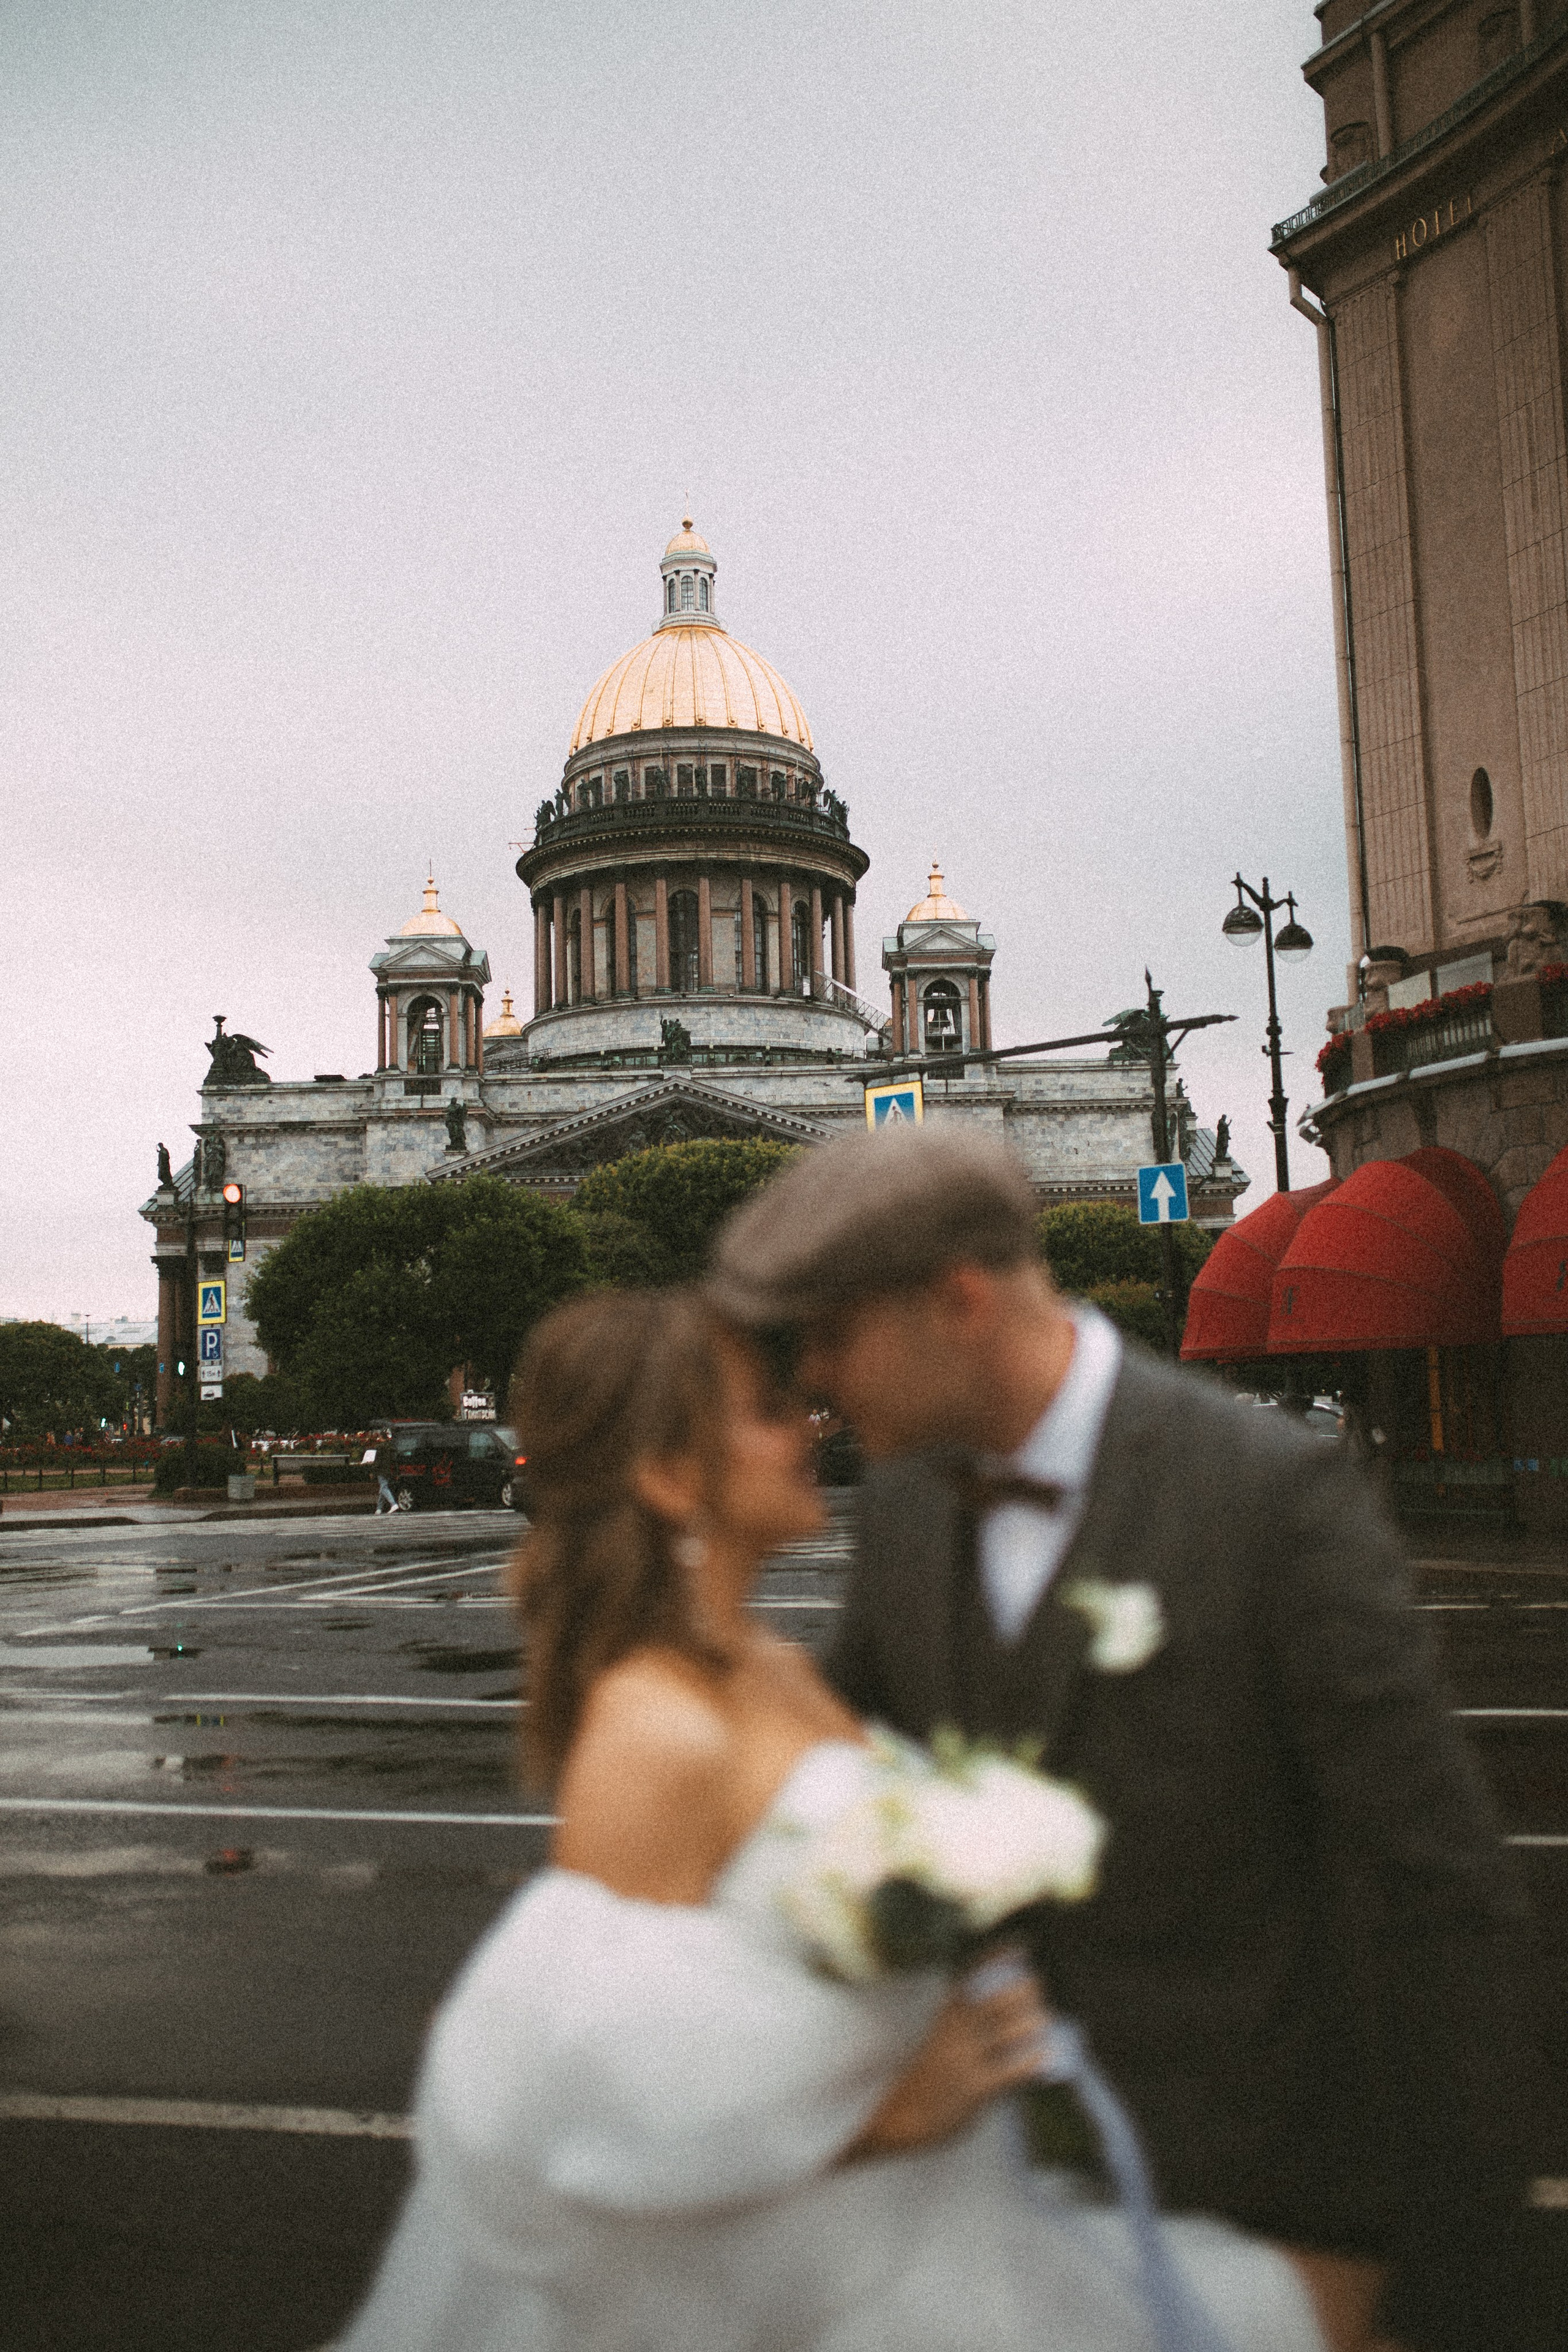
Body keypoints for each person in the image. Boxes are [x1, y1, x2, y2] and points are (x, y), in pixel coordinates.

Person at [334, 1288, 1324, 2352]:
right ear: (672, 1477)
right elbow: (566, 2104)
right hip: (820, 2282)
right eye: (765, 1409)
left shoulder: (773, 1666)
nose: (810, 1423)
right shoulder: (654, 1730)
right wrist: (885, 2119)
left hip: (937, 2226)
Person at [707, 1126, 1563, 2352]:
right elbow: (852, 1792)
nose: (819, 1383)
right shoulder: (900, 1504)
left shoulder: (1269, 1497)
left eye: (832, 1338)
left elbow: (1434, 1901)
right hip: (988, 2217)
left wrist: (1439, 2298)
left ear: (954, 1304)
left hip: (1257, 2223)